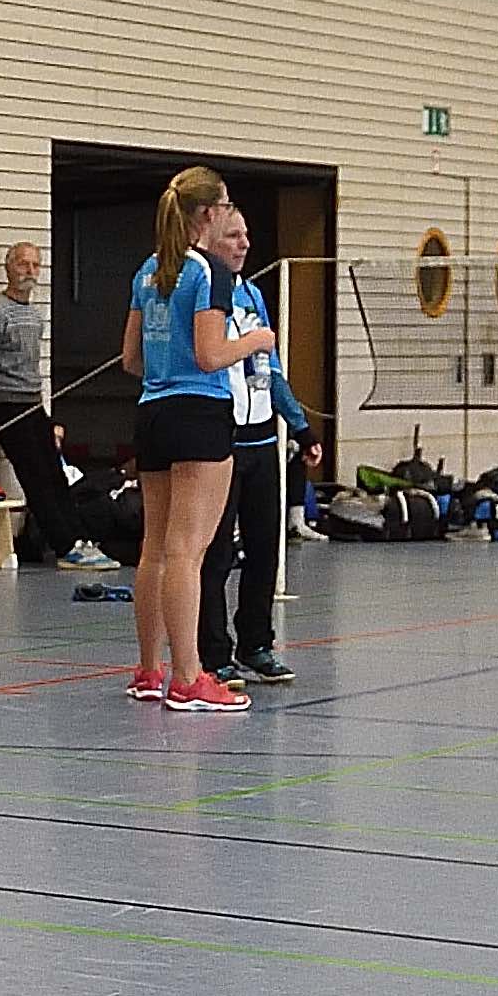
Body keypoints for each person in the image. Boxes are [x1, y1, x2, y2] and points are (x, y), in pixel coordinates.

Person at [119, 164, 271, 714]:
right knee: (189, 549)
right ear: (208, 213)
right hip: (200, 415)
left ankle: (149, 670)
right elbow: (210, 355)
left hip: (152, 415)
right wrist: (257, 340)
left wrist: (167, 370)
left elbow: (131, 358)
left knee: (154, 549)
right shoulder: (209, 272)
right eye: (226, 206)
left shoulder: (148, 271)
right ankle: (188, 677)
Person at [194, 201, 311, 685]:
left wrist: (300, 425)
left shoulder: (253, 296)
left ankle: (257, 643)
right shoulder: (200, 290)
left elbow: (271, 367)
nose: (244, 244)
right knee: (216, 552)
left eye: (246, 236)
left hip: (262, 438)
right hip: (220, 437)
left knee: (265, 546)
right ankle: (211, 652)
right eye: (233, 236)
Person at [0, 241, 119, 568]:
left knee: (55, 473)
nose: (30, 271)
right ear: (9, 268)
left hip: (32, 404)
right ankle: (66, 547)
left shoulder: (35, 316)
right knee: (36, 477)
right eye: (23, 264)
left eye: (36, 265)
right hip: (5, 405)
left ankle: (79, 539)